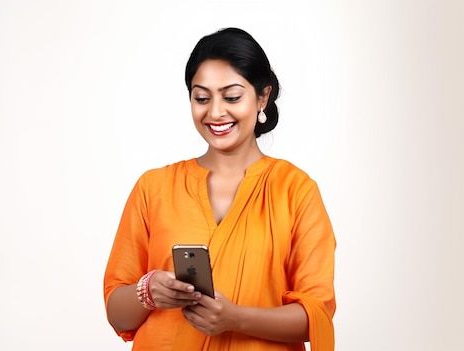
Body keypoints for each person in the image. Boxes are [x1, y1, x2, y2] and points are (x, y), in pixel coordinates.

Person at [103, 27, 336, 351]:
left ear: (262, 97)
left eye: (232, 97)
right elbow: (117, 314)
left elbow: (317, 314)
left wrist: (236, 318)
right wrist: (149, 289)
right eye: (202, 98)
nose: (214, 112)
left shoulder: (295, 191)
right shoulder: (153, 188)